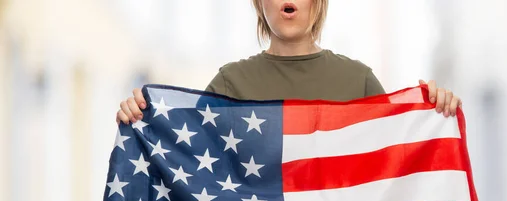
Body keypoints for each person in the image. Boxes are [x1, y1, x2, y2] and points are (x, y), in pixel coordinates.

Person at [115, 0, 462, 125]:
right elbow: (186, 158)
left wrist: (432, 113)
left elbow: (396, 171)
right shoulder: (229, 84)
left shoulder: (359, 82)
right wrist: (142, 118)